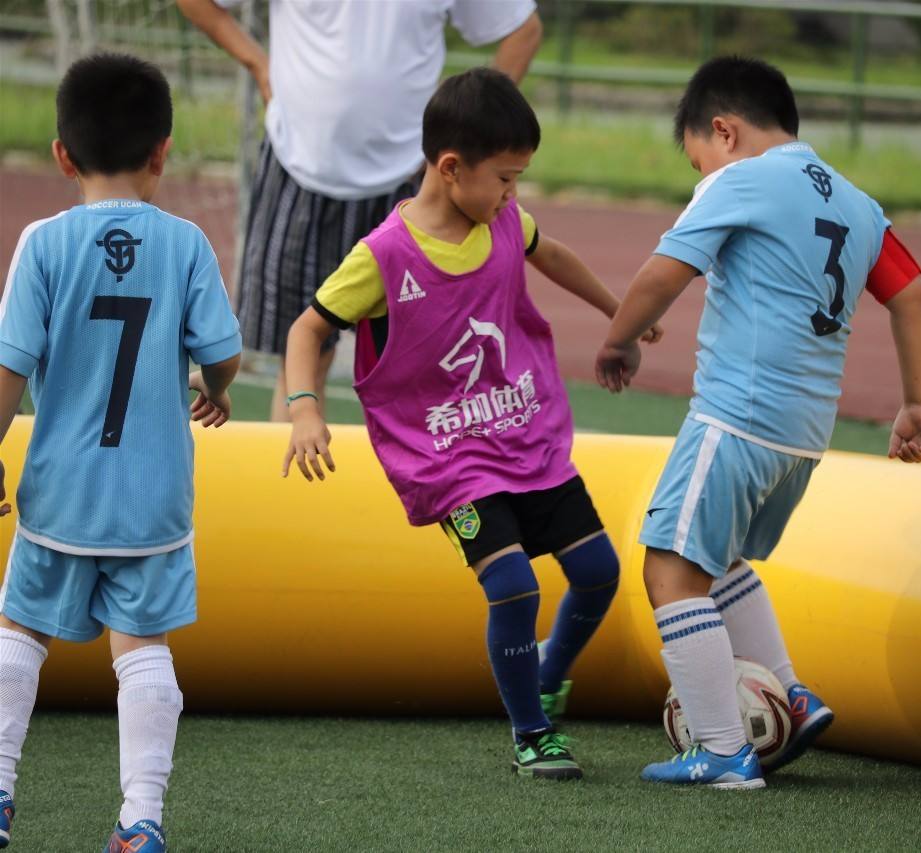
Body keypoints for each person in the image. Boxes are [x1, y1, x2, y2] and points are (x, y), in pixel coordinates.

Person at [281, 68, 660, 781]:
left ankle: (547, 672)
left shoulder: (506, 222)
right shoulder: (384, 257)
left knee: (599, 571)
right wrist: (305, 410)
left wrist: (621, 314)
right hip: (450, 461)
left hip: (525, 436)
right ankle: (531, 730)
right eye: (506, 179)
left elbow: (553, 254)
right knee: (514, 585)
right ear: (451, 169)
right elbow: (309, 327)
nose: (513, 194)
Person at [596, 57, 921, 789]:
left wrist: (619, 337)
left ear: (723, 131)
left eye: (698, 156)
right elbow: (911, 296)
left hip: (738, 414)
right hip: (805, 434)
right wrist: (919, 404)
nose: (702, 169)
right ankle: (792, 693)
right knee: (715, 559)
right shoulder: (857, 202)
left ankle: (722, 751)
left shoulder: (739, 179)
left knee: (668, 566)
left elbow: (665, 271)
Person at [0, 54, 240, 850]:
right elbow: (221, 350)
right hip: (153, 499)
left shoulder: (41, 244)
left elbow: (9, 370)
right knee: (142, 650)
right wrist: (219, 384)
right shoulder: (188, 244)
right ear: (162, 152)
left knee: (18, 633)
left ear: (62, 155)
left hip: (59, 492)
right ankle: (141, 818)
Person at [178, 0, 543, 420]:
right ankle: (295, 480)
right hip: (300, 165)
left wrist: (467, 135)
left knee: (429, 364)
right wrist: (258, 63)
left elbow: (522, 29)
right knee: (302, 358)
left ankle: (432, 478)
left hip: (411, 182)